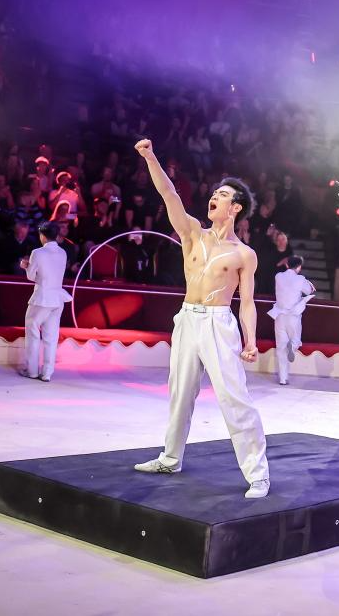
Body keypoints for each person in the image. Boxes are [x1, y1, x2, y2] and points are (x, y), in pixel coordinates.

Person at [131, 139, 270, 499]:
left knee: (234, 399)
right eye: (214, 193)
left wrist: (251, 341)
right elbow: (169, 194)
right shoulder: (193, 233)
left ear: (235, 207)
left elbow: (247, 303)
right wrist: (151, 156)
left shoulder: (244, 254)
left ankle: (258, 475)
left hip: (218, 324)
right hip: (187, 320)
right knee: (180, 394)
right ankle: (170, 458)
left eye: (222, 195)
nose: (214, 197)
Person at [19, 221, 73, 382]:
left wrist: (25, 266)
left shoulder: (37, 252)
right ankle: (47, 373)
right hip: (57, 298)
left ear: (42, 235)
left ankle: (32, 371)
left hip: (42, 298)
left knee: (33, 332)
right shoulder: (63, 252)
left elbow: (31, 276)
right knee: (51, 336)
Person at [268, 255, 315, 386]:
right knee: (295, 340)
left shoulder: (278, 276)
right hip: (293, 316)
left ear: (287, 265)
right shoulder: (300, 279)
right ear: (299, 267)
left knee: (280, 347)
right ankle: (292, 347)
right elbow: (309, 290)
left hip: (279, 316)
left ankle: (283, 378)